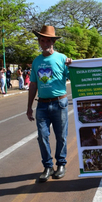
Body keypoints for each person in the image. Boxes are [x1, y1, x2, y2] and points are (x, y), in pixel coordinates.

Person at [26, 25, 72, 182]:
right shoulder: (36, 61)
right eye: (42, 40)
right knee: (42, 136)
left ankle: (61, 164)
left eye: (48, 41)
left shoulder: (61, 58)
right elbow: (33, 84)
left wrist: (71, 65)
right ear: (39, 42)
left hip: (60, 103)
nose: (45, 43)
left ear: (53, 42)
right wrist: (29, 107)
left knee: (61, 136)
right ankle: (47, 166)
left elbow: (74, 75)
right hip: (42, 105)